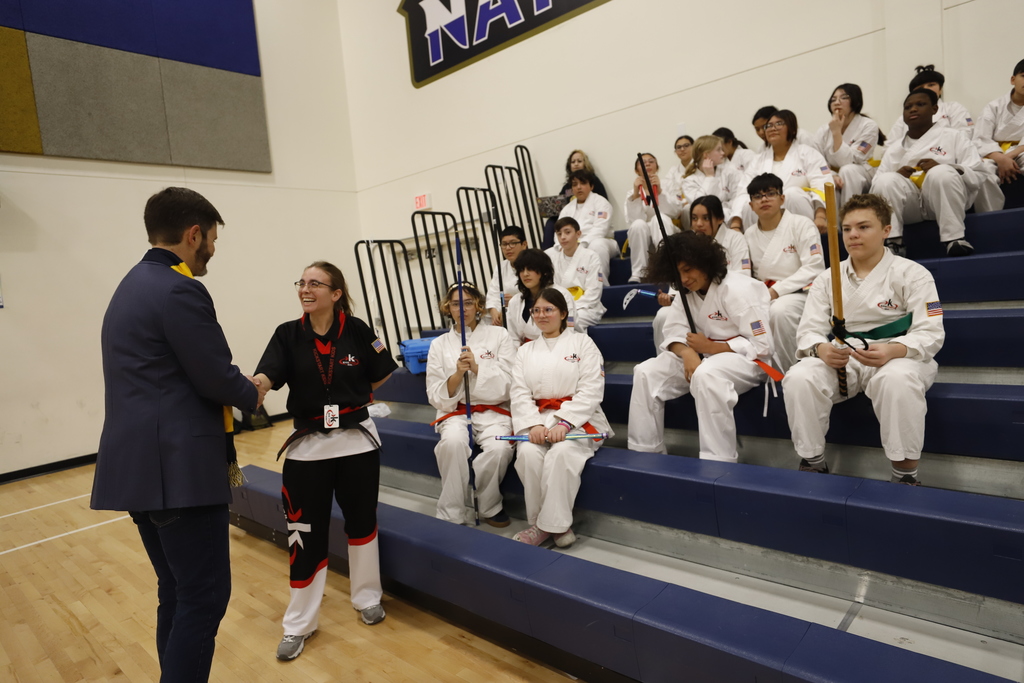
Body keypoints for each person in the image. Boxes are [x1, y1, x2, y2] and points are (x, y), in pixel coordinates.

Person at [91, 187, 264, 682]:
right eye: (211, 238)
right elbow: (213, 374)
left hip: (139, 471)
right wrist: (252, 392)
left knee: (177, 590)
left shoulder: (129, 285)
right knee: (205, 597)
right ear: (194, 235)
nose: (212, 248)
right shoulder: (179, 288)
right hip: (178, 473)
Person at [253, 261, 397, 660]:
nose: (305, 288)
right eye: (302, 282)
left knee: (362, 524)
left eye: (315, 283)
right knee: (304, 535)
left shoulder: (358, 329)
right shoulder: (287, 334)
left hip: (358, 443)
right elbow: (267, 373)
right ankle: (299, 623)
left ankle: (367, 597)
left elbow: (383, 370)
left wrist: (356, 393)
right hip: (308, 447)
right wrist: (257, 386)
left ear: (335, 294)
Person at [783, 194, 944, 485]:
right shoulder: (827, 279)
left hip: (900, 356)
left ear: (886, 230)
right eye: (846, 229)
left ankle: (905, 474)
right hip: (846, 357)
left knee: (896, 380)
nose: (853, 235)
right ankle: (813, 462)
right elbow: (808, 331)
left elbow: (931, 333)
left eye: (863, 227)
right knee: (799, 376)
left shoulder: (913, 274)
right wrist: (821, 349)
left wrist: (893, 350)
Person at [628, 232, 775, 461]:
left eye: (688, 270)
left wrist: (714, 347)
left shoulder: (738, 289)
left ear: (704, 261)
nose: (684, 279)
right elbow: (673, 332)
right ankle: (645, 454)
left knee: (706, 374)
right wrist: (687, 352)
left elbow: (763, 345)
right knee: (645, 372)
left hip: (747, 361)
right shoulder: (686, 293)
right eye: (677, 274)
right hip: (703, 357)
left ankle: (718, 461)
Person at [510, 287, 612, 546]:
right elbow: (519, 392)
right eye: (536, 310)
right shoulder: (525, 351)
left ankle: (549, 527)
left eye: (548, 309)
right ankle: (543, 524)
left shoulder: (583, 343)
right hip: (538, 419)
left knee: (562, 453)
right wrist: (532, 423)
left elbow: (591, 389)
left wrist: (565, 422)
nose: (541, 315)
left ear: (564, 313)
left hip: (579, 418)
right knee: (528, 454)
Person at [426, 282, 515, 527]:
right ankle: (452, 512)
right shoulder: (439, 344)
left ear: (478, 305)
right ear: (447, 308)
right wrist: (457, 375)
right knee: (452, 444)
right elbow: (434, 394)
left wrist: (477, 367)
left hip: (493, 411)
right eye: (456, 303)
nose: (462, 308)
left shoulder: (500, 335)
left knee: (499, 450)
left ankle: (489, 504)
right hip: (455, 411)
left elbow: (510, 383)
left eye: (468, 303)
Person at [870, 88, 995, 258]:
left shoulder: (954, 136)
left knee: (941, 172)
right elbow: (876, 189)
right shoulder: (894, 149)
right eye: (908, 107)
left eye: (920, 104)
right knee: (886, 180)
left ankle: (955, 239)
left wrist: (948, 166)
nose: (913, 109)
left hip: (945, 200)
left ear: (935, 109)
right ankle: (894, 243)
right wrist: (897, 175)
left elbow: (979, 173)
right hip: (910, 206)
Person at [744, 173, 826, 372]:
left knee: (780, 311)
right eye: (757, 196)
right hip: (765, 295)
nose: (764, 199)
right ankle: (762, 372)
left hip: (802, 293)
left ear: (782, 198)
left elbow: (814, 267)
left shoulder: (801, 224)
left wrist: (776, 291)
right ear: (751, 205)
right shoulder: (749, 235)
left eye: (770, 193)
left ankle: (789, 371)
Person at [652, 196, 750, 351]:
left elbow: (743, 277)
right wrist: (672, 296)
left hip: (726, 300)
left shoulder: (734, 238)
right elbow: (679, 277)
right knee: (662, 315)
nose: (699, 224)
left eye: (705, 218)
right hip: (694, 298)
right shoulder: (687, 242)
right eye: (694, 218)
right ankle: (672, 355)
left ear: (720, 218)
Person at [739, 110, 831, 230]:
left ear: (792, 129)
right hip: (766, 216)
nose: (772, 128)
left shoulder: (809, 154)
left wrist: (820, 216)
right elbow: (742, 191)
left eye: (779, 124)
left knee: (792, 194)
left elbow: (822, 184)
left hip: (801, 212)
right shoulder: (757, 160)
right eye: (769, 126)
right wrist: (736, 224)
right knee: (749, 203)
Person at [811, 83, 880, 205]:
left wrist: (836, 133)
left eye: (844, 97)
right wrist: (831, 174)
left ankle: (849, 217)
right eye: (833, 99)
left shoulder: (868, 126)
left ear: (855, 101)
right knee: (828, 181)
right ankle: (835, 224)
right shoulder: (823, 130)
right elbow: (816, 161)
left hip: (860, 174)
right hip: (834, 174)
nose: (837, 102)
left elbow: (851, 160)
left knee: (848, 170)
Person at [625, 152, 685, 283]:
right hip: (643, 235)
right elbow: (632, 220)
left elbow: (675, 211)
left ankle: (667, 267)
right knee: (638, 224)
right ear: (636, 170)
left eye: (651, 161)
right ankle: (638, 272)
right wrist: (636, 195)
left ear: (657, 167)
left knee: (659, 218)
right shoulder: (632, 192)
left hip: (665, 228)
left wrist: (660, 192)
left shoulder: (668, 185)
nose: (647, 163)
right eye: (643, 162)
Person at [505, 248, 577, 347]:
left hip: (559, 350)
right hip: (525, 355)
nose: (525, 274)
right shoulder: (515, 301)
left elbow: (568, 331)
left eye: (530, 269)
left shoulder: (562, 295)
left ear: (544, 271)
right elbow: (513, 338)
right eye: (521, 270)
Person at [545, 217, 606, 332]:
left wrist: (569, 308)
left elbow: (593, 293)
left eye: (567, 232)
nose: (563, 237)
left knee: (569, 321)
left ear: (578, 234)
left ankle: (577, 349)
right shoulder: (553, 259)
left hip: (586, 308)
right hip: (561, 308)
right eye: (559, 234)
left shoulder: (591, 256)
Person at [887, 65, 975, 142]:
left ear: (940, 90)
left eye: (931, 85)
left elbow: (964, 135)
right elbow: (890, 146)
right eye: (920, 87)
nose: (926, 89)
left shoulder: (954, 108)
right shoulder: (903, 118)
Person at [556, 169, 618, 278]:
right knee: (551, 252)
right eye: (575, 184)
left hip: (603, 241)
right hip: (573, 245)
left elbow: (600, 230)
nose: (578, 187)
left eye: (583, 183)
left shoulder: (601, 202)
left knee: (597, 245)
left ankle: (602, 285)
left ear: (591, 186)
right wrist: (560, 246)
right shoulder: (567, 209)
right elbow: (558, 231)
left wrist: (581, 245)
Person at [543, 150, 609, 248]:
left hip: (590, 228)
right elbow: (559, 202)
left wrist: (581, 243)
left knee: (597, 245)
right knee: (551, 223)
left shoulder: (595, 185)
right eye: (573, 162)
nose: (576, 164)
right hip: (570, 217)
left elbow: (602, 211)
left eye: (579, 161)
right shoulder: (567, 187)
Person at [974, 58, 1024, 184]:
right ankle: (987, 205)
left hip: (1021, 152)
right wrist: (1000, 158)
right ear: (1013, 80)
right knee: (982, 170)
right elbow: (981, 138)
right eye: (1023, 76)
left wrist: (1009, 156)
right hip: (993, 153)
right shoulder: (994, 106)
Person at [682, 134, 746, 229]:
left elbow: (739, 195)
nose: (723, 153)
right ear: (706, 155)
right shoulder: (689, 181)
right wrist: (709, 177)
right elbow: (702, 204)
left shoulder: (729, 172)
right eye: (718, 150)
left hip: (730, 218)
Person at [486, 225, 528, 326]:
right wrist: (494, 312)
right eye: (504, 244)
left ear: (524, 244)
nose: (508, 248)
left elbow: (538, 293)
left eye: (513, 243)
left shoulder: (535, 263)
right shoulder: (501, 267)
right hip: (505, 314)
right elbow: (494, 294)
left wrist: (516, 300)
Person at [664, 134, 695, 206]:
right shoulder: (673, 171)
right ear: (675, 152)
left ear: (694, 147)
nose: (682, 149)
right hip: (678, 205)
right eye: (679, 147)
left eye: (686, 145)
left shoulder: (701, 167)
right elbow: (668, 191)